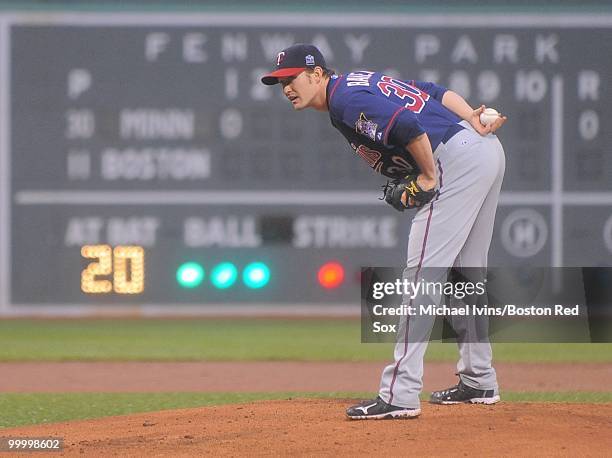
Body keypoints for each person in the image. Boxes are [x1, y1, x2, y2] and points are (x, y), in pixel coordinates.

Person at [261, 44, 507, 420]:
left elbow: (408, 127)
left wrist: (427, 175)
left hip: (453, 160)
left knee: (421, 279)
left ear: (315, 74)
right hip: (484, 150)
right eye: (280, 84)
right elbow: (433, 91)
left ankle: (400, 393)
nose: (286, 89)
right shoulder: (358, 82)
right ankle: (479, 379)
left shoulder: (344, 99)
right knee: (466, 272)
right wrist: (471, 116)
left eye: (290, 79)